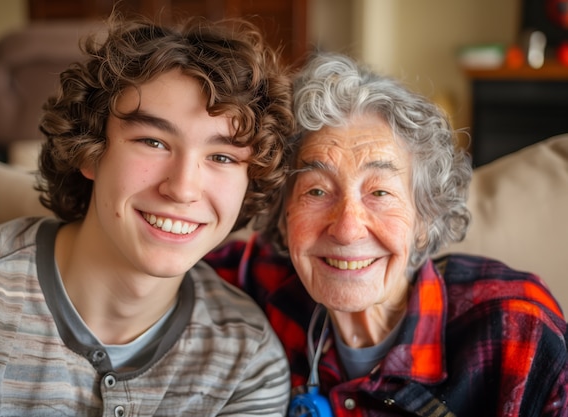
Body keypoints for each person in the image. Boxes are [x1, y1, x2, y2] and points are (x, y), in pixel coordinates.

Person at [0, 14, 295, 416]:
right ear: (90, 151)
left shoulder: (247, 359)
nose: (182, 188)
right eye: (153, 141)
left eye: (221, 156)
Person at [206, 52, 568, 416]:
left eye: (379, 192)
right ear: (282, 217)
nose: (347, 229)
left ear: (425, 218)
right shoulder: (263, 285)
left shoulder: (517, 329)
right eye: (316, 191)